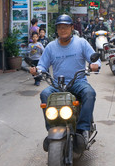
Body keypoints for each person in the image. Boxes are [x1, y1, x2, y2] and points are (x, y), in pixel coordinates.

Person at [30, 14, 100, 143]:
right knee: (45, 94)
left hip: (78, 82)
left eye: (66, 27)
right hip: (58, 84)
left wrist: (94, 65)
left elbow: (94, 59)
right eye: (60, 27)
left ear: (72, 28)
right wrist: (36, 70)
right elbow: (42, 65)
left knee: (90, 93)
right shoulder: (51, 47)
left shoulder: (81, 43)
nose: (63, 30)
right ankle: (51, 128)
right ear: (56, 29)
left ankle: (83, 128)